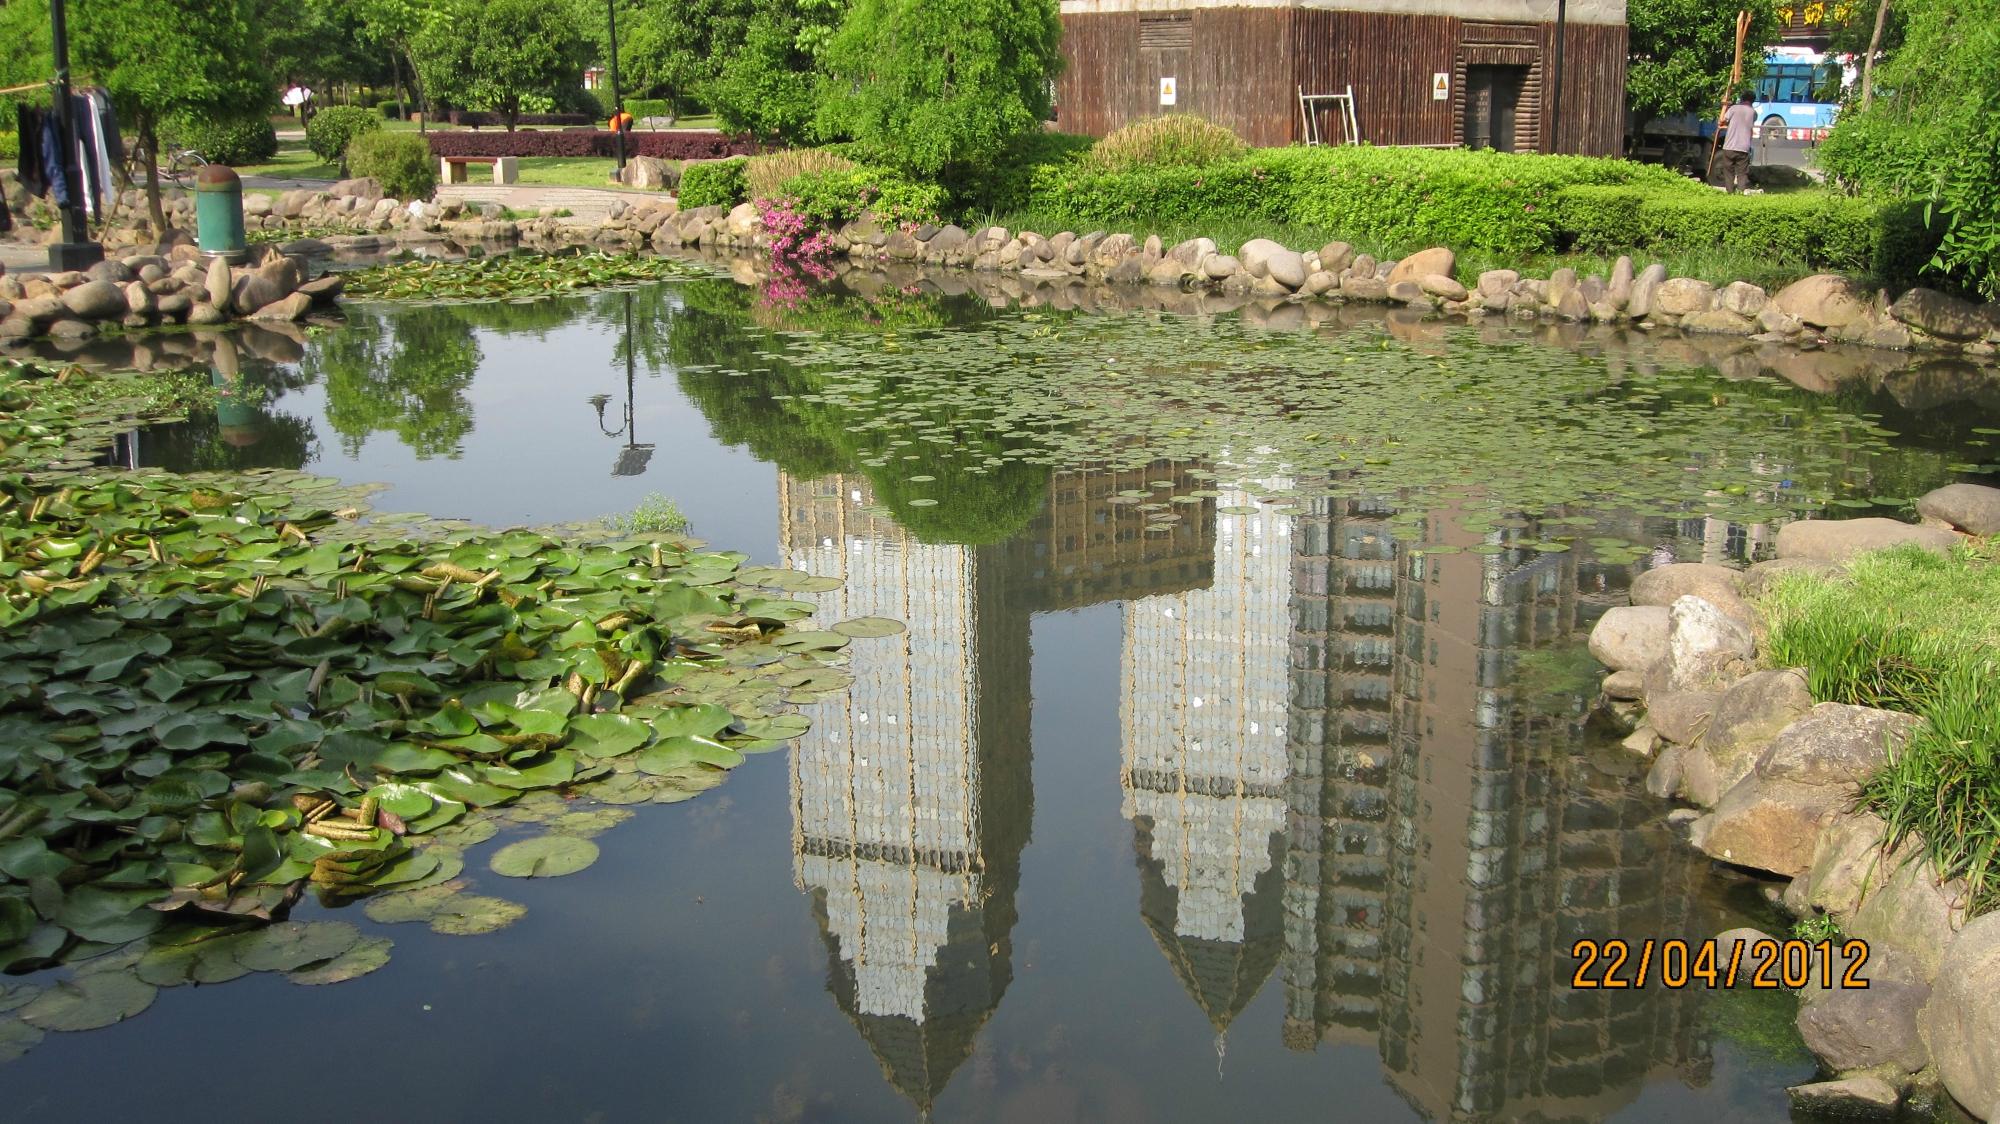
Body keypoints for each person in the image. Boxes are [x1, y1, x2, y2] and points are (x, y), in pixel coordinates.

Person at [1717, 91, 1757, 194]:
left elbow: (1721, 121)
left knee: (1728, 171)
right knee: (1742, 173)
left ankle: (1730, 191)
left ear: (1742, 98)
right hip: (1744, 147)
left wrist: (1724, 106)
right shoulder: (1753, 113)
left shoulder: (1733, 108)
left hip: (1729, 146)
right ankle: (1740, 192)